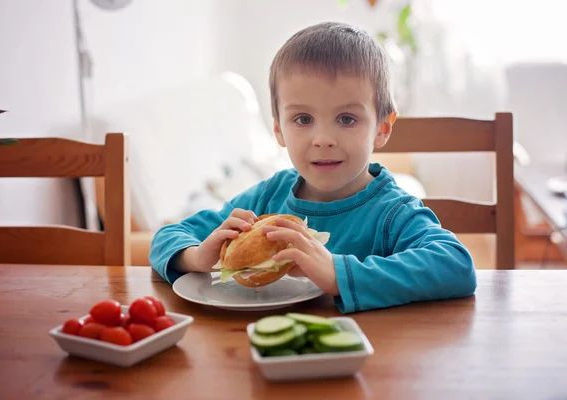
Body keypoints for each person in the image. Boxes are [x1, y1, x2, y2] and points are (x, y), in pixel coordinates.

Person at [149, 21, 477, 313]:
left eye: (346, 119)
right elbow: (166, 237)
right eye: (303, 119)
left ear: (382, 128)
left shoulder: (392, 213)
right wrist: (197, 256)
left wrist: (338, 274)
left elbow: (456, 265)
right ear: (278, 128)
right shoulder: (266, 199)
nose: (322, 139)